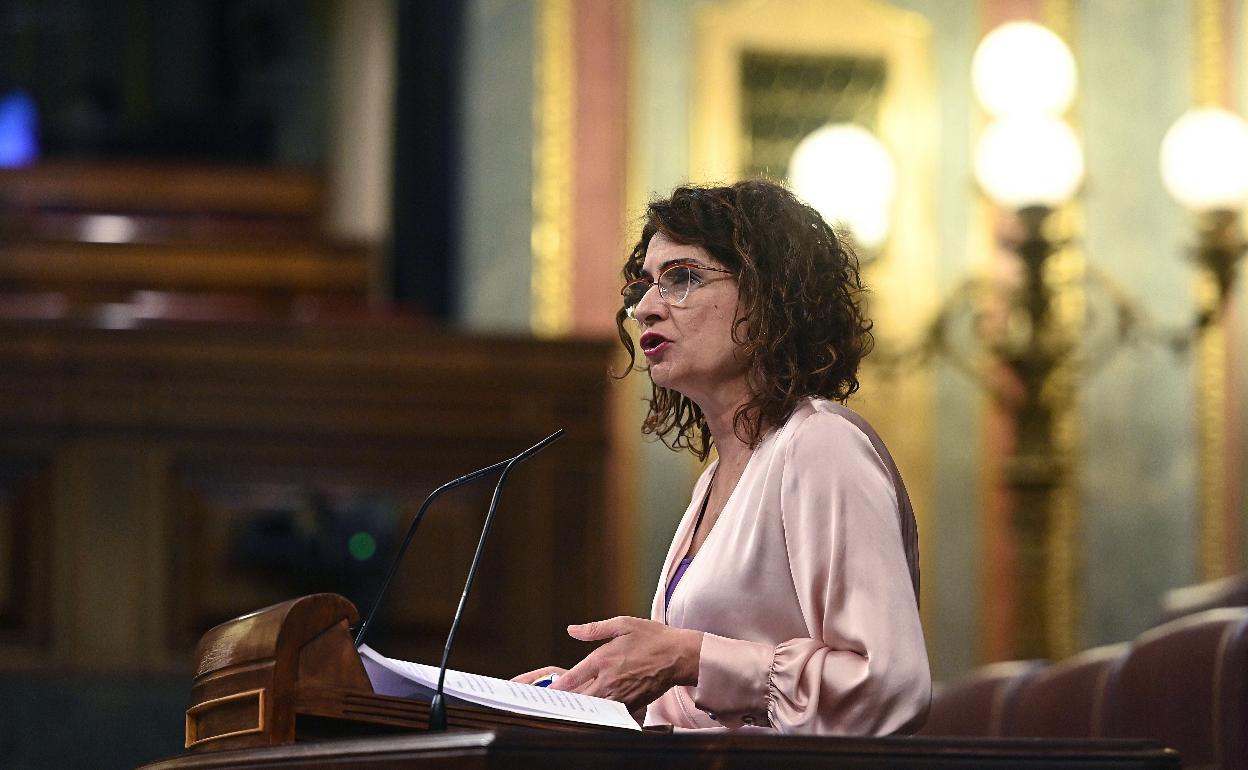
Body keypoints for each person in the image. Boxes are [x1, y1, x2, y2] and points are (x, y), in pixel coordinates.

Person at [514, 179, 929, 735]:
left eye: (680, 278)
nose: (645, 309)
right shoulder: (715, 478)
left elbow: (888, 689)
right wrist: (586, 697)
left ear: (768, 294)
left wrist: (691, 658)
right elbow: (701, 709)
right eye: (643, 287)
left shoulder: (822, 446)